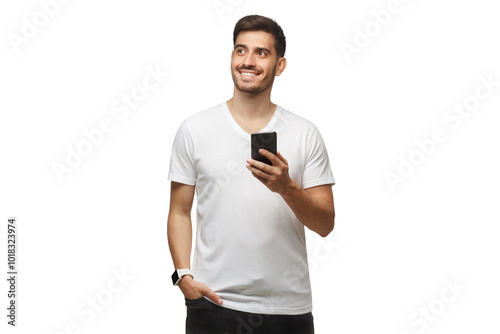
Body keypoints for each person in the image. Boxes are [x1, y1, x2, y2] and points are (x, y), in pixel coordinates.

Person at [167, 14, 335, 334]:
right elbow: (179, 210)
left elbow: (325, 224)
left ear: (279, 65)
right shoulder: (194, 129)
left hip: (288, 308)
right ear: (231, 57)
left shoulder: (304, 133)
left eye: (261, 53)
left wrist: (287, 187)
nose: (248, 61)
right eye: (240, 50)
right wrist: (183, 276)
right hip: (214, 303)